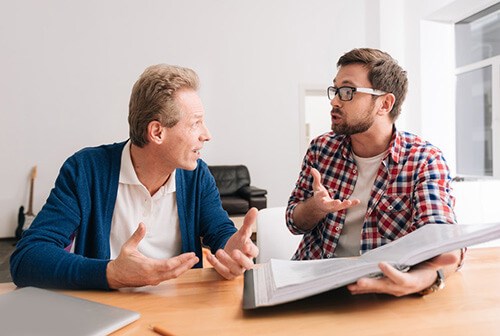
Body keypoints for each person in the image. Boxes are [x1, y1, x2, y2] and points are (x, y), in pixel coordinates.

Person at [10, 64, 258, 290]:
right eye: (196, 123)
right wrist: (111, 273)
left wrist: (231, 248)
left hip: (181, 313)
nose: (207, 134)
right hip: (105, 313)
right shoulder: (85, 170)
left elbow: (219, 230)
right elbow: (27, 258)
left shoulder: (197, 176)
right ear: (157, 132)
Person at [286, 48, 463, 297]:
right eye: (335, 90)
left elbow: (443, 241)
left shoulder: (423, 160)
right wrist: (316, 207)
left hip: (382, 291)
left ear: (385, 103)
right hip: (313, 283)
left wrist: (421, 280)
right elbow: (294, 222)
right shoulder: (321, 149)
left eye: (347, 92)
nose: (334, 101)